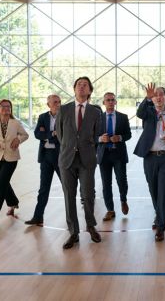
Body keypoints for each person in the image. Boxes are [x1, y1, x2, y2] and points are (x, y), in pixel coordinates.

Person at [56, 76, 102, 249]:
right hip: (67, 159)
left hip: (87, 159)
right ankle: (73, 232)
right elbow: (60, 134)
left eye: (85, 85)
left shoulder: (95, 112)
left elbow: (97, 135)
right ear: (74, 89)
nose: (81, 87)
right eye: (78, 85)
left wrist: (84, 147)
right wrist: (70, 146)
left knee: (88, 194)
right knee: (69, 196)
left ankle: (90, 226)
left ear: (90, 91)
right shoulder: (64, 109)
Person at [134, 83, 165, 242]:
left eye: (162, 94)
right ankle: (160, 215)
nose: (159, 97)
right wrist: (147, 98)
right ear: (153, 99)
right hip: (150, 157)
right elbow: (138, 113)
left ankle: (161, 226)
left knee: (163, 191)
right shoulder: (148, 112)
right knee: (153, 189)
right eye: (156, 95)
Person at [0, 99, 29, 230]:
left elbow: (25, 135)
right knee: (4, 184)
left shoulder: (16, 123)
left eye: (8, 106)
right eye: (3, 106)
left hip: (11, 158)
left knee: (1, 185)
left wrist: (18, 139)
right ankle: (13, 203)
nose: (6, 108)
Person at [25, 95, 61, 226]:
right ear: (48, 105)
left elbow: (64, 135)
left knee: (67, 188)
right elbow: (37, 134)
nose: (58, 104)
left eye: (59, 102)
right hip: (45, 157)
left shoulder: (64, 117)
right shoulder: (42, 117)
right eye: (55, 102)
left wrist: (46, 134)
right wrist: (52, 134)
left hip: (60, 157)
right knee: (43, 189)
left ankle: (71, 217)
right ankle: (38, 216)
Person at [97, 92, 131, 222]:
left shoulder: (123, 117)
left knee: (121, 180)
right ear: (104, 103)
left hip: (118, 154)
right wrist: (101, 138)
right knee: (106, 184)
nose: (110, 102)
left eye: (112, 100)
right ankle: (110, 210)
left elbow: (128, 134)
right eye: (108, 100)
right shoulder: (98, 118)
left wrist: (120, 137)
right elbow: (91, 137)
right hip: (104, 155)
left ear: (115, 102)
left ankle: (123, 200)